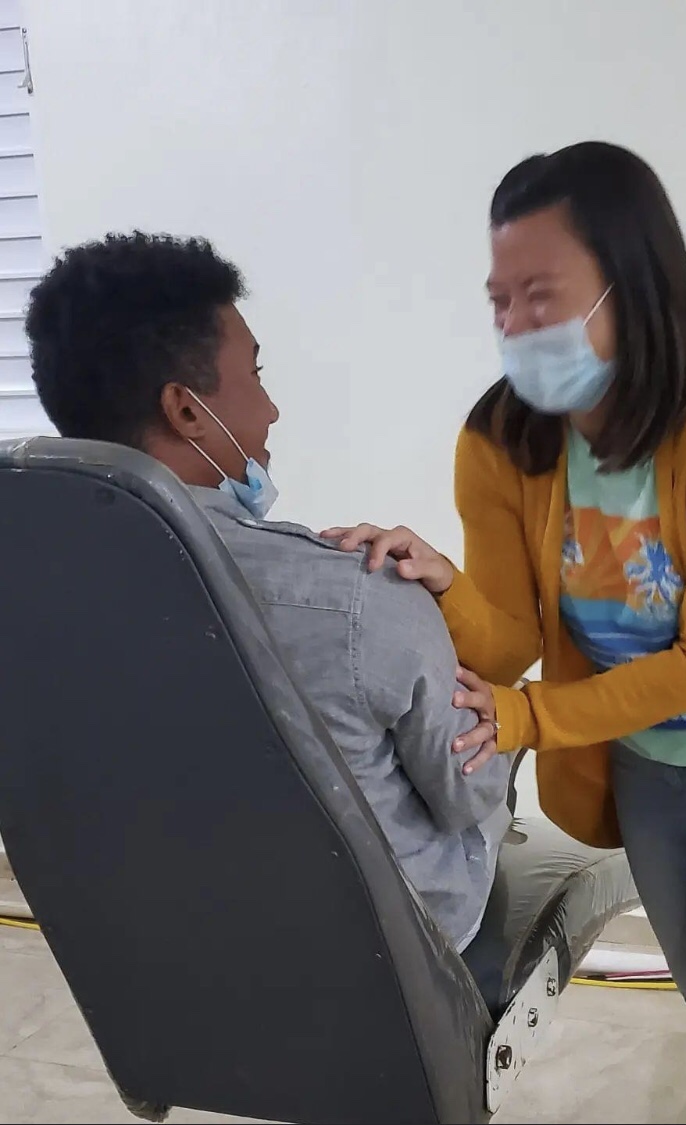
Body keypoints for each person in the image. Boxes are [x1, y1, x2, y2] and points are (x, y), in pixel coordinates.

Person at [326, 142, 686, 1125]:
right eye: (500, 301)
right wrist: (439, 581)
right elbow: (507, 641)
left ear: (633, 279)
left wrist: (530, 718)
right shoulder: (502, 441)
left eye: (541, 295)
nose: (514, 325)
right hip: (648, 769)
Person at [25, 231, 512, 955]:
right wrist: (493, 681)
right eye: (255, 373)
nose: (273, 409)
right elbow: (466, 793)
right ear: (187, 411)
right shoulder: (362, 597)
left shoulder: (31, 591)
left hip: (159, 941)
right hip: (382, 959)